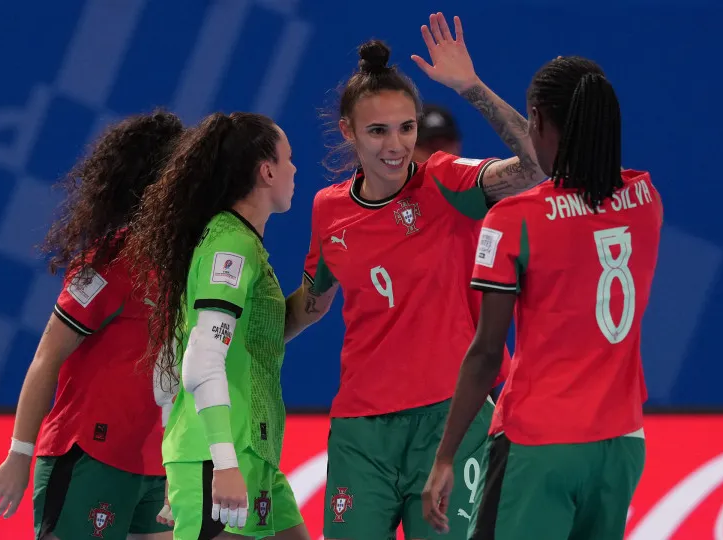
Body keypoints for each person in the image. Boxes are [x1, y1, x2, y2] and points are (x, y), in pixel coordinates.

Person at [283, 14, 546, 540]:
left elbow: (539, 168)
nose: (395, 146)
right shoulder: (328, 210)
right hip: (361, 433)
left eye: (405, 128)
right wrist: (235, 340)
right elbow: (312, 304)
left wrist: (472, 87)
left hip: (450, 424)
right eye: (378, 131)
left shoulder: (444, 182)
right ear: (349, 132)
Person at [422, 56, 663, 540]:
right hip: (621, 444)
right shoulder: (646, 200)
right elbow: (567, 169)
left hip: (541, 444)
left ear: (536, 120)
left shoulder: (516, 219)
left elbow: (487, 353)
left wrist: (445, 456)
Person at [0, 111, 184, 540]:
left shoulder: (190, 262)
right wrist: (19, 454)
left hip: (155, 465)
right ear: (156, 181)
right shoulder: (110, 261)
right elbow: (47, 357)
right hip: (88, 456)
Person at [127, 111, 307, 540]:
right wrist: (222, 466)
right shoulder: (230, 247)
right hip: (224, 461)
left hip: (252, 455)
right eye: (289, 159)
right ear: (266, 171)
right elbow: (200, 361)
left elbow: (170, 361)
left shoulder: (235, 241)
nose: (295, 169)